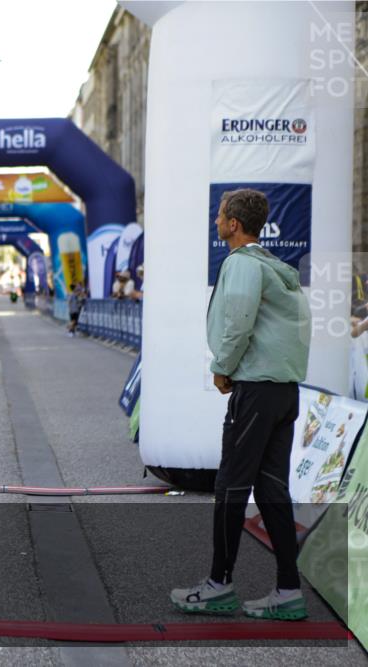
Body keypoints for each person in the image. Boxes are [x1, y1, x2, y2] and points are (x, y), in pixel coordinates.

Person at [170, 189, 311, 621]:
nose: (216, 222)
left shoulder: (243, 264)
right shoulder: (279, 268)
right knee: (271, 490)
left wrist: (222, 367)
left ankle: (218, 585)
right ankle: (288, 590)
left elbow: (239, 319)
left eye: (220, 216)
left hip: (254, 390)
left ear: (234, 224)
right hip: (284, 390)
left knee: (230, 485)